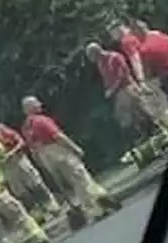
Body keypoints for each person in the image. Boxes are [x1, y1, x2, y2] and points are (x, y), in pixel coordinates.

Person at [20, 96, 121, 224]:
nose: (40, 105)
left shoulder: (25, 127)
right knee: (80, 178)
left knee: (73, 182)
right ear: (30, 107)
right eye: (36, 104)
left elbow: (32, 149)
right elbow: (58, 136)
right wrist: (75, 148)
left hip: (45, 156)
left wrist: (42, 164)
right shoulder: (41, 120)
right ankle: (98, 203)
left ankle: (97, 205)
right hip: (57, 151)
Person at [86, 41, 168, 140]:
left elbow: (123, 74)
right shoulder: (101, 64)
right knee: (134, 117)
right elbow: (106, 79)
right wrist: (109, 89)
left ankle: (167, 127)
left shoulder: (114, 57)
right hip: (118, 94)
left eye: (91, 55)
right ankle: (151, 134)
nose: (92, 59)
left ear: (97, 51)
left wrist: (112, 88)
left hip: (128, 87)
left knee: (144, 109)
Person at [0, 118, 64, 225]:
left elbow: (21, 142)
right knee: (21, 192)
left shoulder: (5, 132)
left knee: (35, 184)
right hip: (7, 168)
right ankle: (37, 215)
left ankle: (51, 206)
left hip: (19, 160)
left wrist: (12, 152)